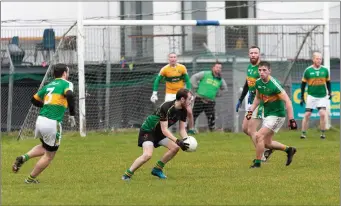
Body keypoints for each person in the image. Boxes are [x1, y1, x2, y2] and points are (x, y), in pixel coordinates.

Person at [12, 63, 76, 183]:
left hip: (40, 120)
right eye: (67, 72)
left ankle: (23, 158)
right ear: (64, 73)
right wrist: (72, 114)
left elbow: (34, 99)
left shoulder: (49, 85)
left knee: (45, 147)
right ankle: (30, 179)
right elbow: (69, 94)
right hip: (52, 123)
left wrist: (46, 105)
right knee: (49, 155)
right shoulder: (67, 84)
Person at [122, 88, 192, 181]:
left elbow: (182, 129)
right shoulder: (166, 107)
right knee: (147, 155)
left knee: (175, 148)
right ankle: (127, 175)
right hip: (148, 130)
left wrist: (187, 140)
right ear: (182, 99)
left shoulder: (184, 111)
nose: (191, 101)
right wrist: (178, 141)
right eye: (189, 99)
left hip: (159, 133)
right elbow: (164, 130)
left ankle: (157, 169)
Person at [247, 61, 297, 168]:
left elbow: (288, 101)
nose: (261, 72)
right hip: (268, 114)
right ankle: (289, 150)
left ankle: (257, 163)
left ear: (269, 71)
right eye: (260, 70)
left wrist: (292, 119)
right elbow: (257, 98)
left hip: (277, 115)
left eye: (264, 70)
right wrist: (251, 110)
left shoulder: (275, 84)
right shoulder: (258, 83)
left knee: (258, 136)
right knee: (267, 143)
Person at [235, 46, 272, 161]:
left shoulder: (262, 68)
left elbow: (266, 85)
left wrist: (257, 93)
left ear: (259, 55)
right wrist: (241, 99)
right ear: (248, 55)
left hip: (260, 102)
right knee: (245, 128)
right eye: (251, 53)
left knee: (251, 130)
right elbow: (247, 84)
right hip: (251, 101)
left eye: (255, 53)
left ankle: (261, 156)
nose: (253, 55)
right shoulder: (250, 67)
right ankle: (266, 149)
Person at [150, 52, 195, 134]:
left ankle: (190, 129)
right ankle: (164, 130)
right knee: (166, 111)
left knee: (188, 111)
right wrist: (154, 93)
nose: (173, 58)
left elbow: (188, 81)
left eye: (174, 57)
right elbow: (157, 80)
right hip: (170, 94)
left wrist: (189, 93)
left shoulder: (182, 68)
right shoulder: (164, 69)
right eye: (171, 57)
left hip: (181, 93)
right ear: (168, 59)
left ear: (177, 59)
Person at [300, 52, 331, 139]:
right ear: (313, 59)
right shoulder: (308, 70)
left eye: (320, 59)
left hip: (322, 96)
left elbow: (328, 82)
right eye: (317, 59)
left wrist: (330, 92)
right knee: (307, 114)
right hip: (311, 96)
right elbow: (303, 84)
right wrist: (302, 97)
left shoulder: (325, 70)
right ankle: (303, 133)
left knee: (322, 114)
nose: (319, 60)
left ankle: (322, 133)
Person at [190, 61, 228, 132]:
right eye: (217, 67)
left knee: (211, 117)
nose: (218, 69)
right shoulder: (205, 74)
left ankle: (212, 131)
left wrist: (217, 94)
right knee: (193, 115)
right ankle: (190, 129)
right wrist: (195, 87)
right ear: (213, 68)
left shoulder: (220, 79)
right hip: (199, 99)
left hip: (210, 101)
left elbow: (225, 89)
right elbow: (193, 77)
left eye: (220, 68)